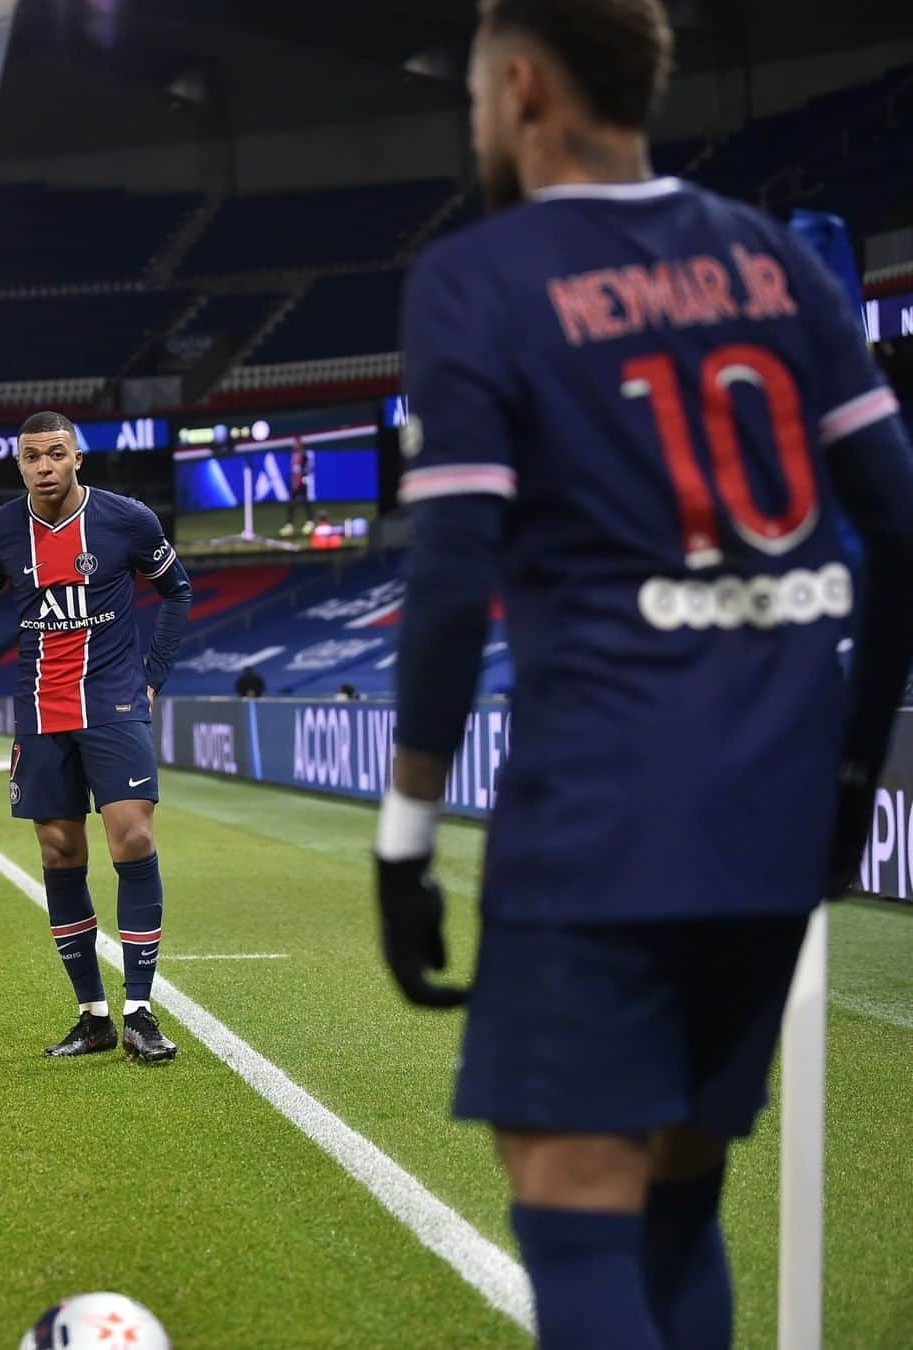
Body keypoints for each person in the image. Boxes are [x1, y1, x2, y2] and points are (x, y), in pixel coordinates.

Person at [373, 3, 913, 1347]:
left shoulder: (479, 275)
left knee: (573, 1191)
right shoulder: (774, 259)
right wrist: (848, 770)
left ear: (520, 85)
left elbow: (449, 580)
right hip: (773, 812)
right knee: (678, 1191)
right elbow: (900, 524)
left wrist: (406, 833)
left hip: (606, 805)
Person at [0, 411, 193, 1064]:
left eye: (56, 453)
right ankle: (94, 1015)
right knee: (58, 851)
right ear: (19, 465)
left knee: (132, 834)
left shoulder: (127, 520)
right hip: (41, 710)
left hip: (113, 703)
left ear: (78, 457)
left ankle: (140, 1009)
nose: (44, 466)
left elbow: (177, 592)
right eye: (31, 457)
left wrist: (153, 676)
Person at [280, 437, 314, 537]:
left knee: (305, 503)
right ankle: (289, 526)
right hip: (294, 483)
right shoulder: (292, 455)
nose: (294, 445)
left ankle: (310, 523)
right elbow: (292, 470)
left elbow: (307, 469)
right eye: (294, 443)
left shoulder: (304, 455)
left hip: (302, 483)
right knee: (291, 505)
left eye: (296, 443)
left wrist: (302, 479)